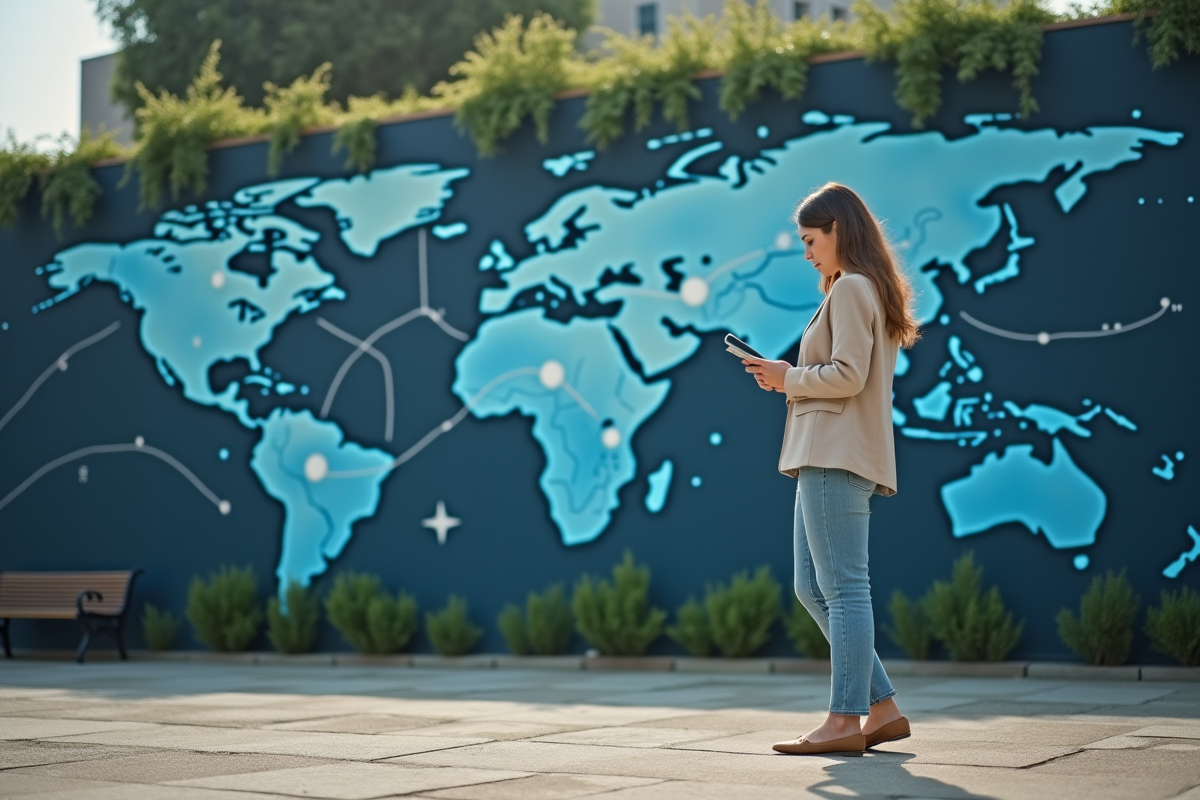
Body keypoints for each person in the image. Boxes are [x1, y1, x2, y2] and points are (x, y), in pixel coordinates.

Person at [742, 182, 920, 756]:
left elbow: (847, 375)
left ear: (838, 229)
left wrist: (786, 376)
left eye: (811, 239)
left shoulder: (851, 290)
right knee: (812, 587)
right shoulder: (864, 289)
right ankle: (883, 708)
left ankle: (845, 721)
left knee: (842, 589)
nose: (807, 251)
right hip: (834, 453)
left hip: (833, 453)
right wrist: (787, 376)